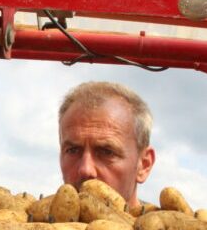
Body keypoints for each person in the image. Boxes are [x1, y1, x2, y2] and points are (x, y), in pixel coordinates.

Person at [58, 81, 156, 209]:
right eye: (73, 150)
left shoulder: (165, 227)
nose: (86, 169)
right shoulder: (35, 225)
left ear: (144, 164)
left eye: (106, 152)